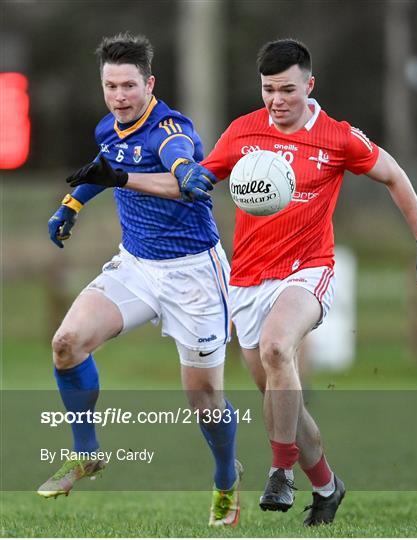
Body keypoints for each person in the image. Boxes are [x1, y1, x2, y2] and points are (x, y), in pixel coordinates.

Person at [68, 38, 417, 526]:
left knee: (276, 350)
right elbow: (192, 183)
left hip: (309, 269)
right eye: (269, 90)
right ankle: (328, 486)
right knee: (277, 394)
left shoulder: (335, 136)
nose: (277, 100)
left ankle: (280, 470)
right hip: (247, 279)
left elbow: (394, 174)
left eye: (288, 90)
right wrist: (121, 179)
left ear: (309, 86)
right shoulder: (243, 132)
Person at [39, 32, 243, 528]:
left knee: (204, 401)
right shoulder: (108, 128)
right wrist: (71, 204)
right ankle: (86, 454)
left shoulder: (171, 129)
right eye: (110, 86)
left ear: (149, 83)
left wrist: (161, 173)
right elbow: (105, 167)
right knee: (66, 343)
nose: (119, 96)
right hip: (136, 266)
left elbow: (184, 178)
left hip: (194, 274)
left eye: (129, 85)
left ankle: (225, 478)